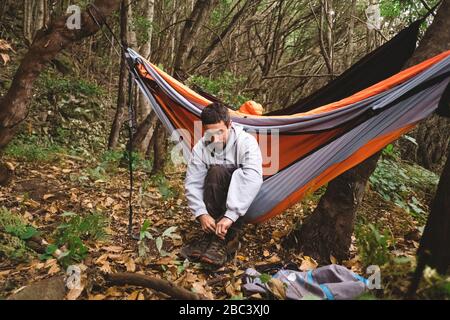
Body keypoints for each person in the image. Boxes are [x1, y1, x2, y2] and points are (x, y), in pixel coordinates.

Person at [182, 102, 263, 267]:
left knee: (221, 170)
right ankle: (209, 235)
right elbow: (193, 181)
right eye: (210, 133)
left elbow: (253, 178)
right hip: (214, 200)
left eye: (220, 132)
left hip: (243, 204)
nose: (215, 138)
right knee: (215, 171)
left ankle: (227, 238)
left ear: (230, 125)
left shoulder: (246, 142)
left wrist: (230, 216)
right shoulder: (201, 147)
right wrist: (201, 213)